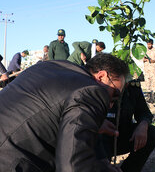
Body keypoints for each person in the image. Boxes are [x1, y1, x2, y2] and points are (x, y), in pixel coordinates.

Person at [0, 53, 128, 171]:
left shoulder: (54, 66)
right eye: (114, 95)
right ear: (101, 76)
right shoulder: (92, 91)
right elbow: (73, 166)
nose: (111, 104)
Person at [98, 79, 155, 172]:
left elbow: (144, 112)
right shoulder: (98, 83)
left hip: (122, 136)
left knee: (152, 133)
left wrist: (143, 124)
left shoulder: (132, 86)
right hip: (99, 141)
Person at [143, 39, 155, 103]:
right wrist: (144, 59)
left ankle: (154, 98)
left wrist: (153, 61)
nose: (148, 45)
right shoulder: (144, 50)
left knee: (154, 83)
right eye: (147, 44)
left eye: (150, 44)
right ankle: (148, 98)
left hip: (153, 69)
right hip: (146, 69)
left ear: (152, 44)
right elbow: (141, 58)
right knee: (147, 83)